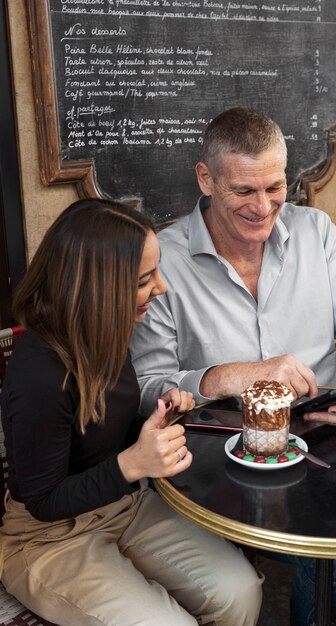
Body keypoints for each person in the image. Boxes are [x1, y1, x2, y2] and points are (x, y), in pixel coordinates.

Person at [130, 107, 336, 625]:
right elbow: (147, 389)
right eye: (243, 192)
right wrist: (232, 376)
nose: (263, 207)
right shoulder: (161, 260)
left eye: (275, 187)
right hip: (222, 470)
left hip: (328, 445)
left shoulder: (316, 233)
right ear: (206, 178)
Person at [0, 198, 262, 626]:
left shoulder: (109, 332)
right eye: (145, 279)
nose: (161, 287)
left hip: (124, 505)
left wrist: (158, 417)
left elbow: (104, 434)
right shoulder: (39, 375)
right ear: (98, 287)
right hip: (47, 538)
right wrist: (132, 464)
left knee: (240, 591)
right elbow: (43, 500)